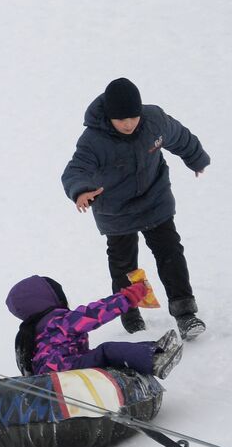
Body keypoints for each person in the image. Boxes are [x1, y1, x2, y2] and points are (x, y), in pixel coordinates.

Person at [61, 77, 210, 340]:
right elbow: (77, 169)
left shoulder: (154, 121)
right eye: (121, 119)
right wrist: (82, 190)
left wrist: (196, 158)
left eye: (133, 117)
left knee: (170, 252)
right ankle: (130, 315)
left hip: (155, 199)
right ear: (109, 117)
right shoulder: (94, 139)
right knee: (124, 265)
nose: (128, 124)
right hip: (115, 210)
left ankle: (185, 313)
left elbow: (180, 137)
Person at [5, 274, 183, 380]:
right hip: (66, 373)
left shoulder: (34, 332)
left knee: (97, 356)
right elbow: (94, 314)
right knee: (106, 351)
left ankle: (152, 351)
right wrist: (128, 297)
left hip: (51, 380)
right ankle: (154, 359)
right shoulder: (59, 322)